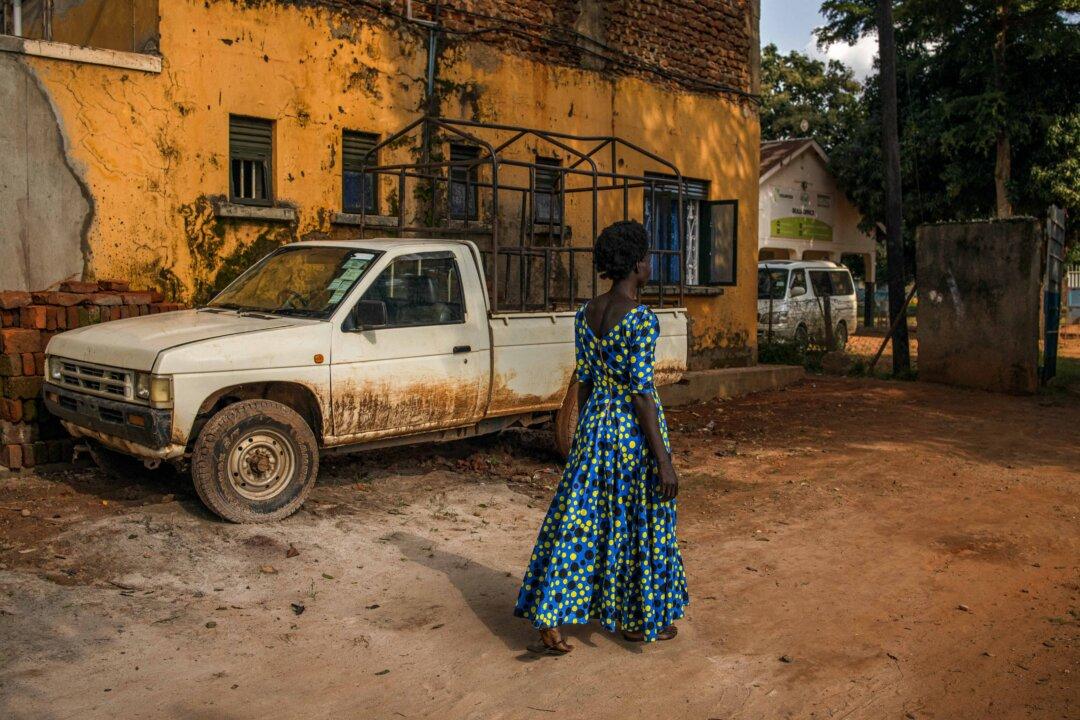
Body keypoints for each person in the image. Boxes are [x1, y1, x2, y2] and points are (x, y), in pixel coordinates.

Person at [513, 220, 688, 653]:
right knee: (636, 522)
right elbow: (642, 394)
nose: (650, 264)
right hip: (631, 436)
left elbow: (586, 381)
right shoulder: (642, 320)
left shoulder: (585, 314)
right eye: (648, 257)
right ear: (636, 263)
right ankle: (637, 619)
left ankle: (549, 612)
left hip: (594, 427)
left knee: (580, 520)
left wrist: (582, 432)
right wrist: (663, 460)